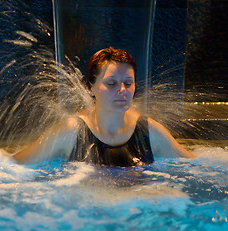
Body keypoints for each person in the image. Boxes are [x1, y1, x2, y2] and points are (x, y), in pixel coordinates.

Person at [13, 47, 195, 166]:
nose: (122, 90)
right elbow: (11, 166)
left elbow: (198, 166)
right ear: (90, 88)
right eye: (111, 83)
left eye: (128, 83)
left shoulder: (148, 132)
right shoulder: (72, 132)